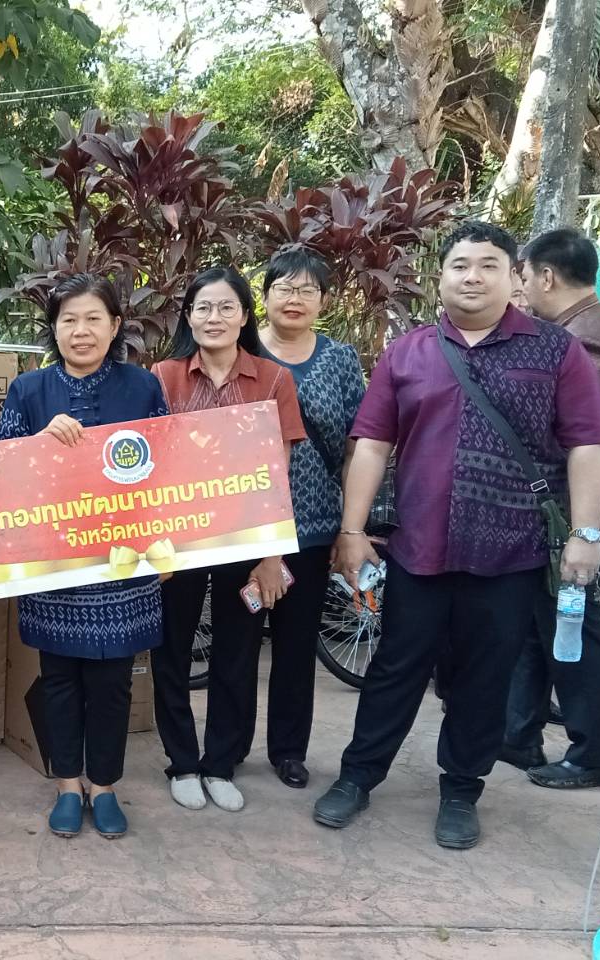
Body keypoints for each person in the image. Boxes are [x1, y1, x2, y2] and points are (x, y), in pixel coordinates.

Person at [311, 221, 600, 850]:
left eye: (487, 265)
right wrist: (352, 528)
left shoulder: (556, 352)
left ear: (515, 277)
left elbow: (588, 446)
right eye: (459, 265)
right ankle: (358, 776)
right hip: (420, 548)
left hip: (510, 551)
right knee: (395, 668)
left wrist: (585, 533)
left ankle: (461, 790)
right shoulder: (409, 352)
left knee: (485, 676)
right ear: (440, 276)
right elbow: (371, 444)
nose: (472, 276)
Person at [0, 274, 168, 840]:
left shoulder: (143, 388)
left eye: (94, 318)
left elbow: (170, 467)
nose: (80, 330)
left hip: (123, 566)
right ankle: (68, 784)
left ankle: (106, 785)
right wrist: (39, 442)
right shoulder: (29, 391)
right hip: (54, 567)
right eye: (68, 319)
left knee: (113, 682)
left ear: (115, 326)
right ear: (54, 328)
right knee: (60, 678)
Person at [150, 265, 309, 814]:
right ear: (188, 317)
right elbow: (146, 466)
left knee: (237, 656)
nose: (212, 318)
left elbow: (277, 475)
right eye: (202, 308)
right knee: (170, 653)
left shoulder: (272, 380)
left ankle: (221, 762)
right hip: (177, 541)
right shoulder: (164, 377)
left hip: (245, 541)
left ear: (245, 316)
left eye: (225, 308)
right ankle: (182, 762)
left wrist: (272, 556)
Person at [502, 227, 600, 790]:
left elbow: (576, 434)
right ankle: (517, 736)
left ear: (546, 276)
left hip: (569, 515)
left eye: (523, 276)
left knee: (575, 628)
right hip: (557, 514)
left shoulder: (583, 340)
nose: (521, 289)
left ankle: (594, 754)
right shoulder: (583, 326)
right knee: (540, 625)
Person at [253, 249, 368, 789]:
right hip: (244, 529)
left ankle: (288, 751)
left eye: (307, 290)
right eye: (284, 288)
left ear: (323, 300)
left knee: (296, 647)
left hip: (312, 526)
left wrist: (352, 525)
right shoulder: (241, 350)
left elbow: (356, 447)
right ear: (266, 294)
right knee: (237, 643)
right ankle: (227, 747)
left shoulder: (341, 361)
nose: (294, 299)